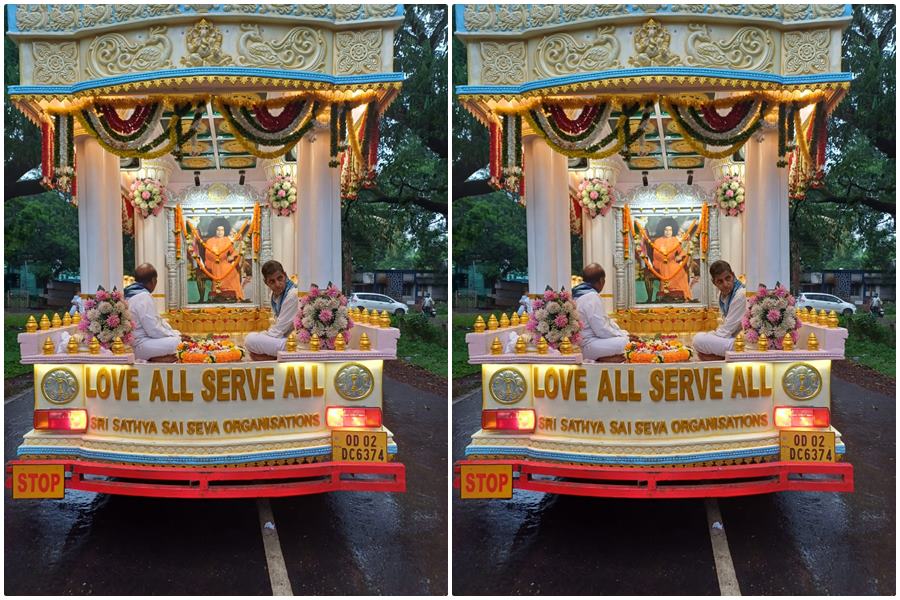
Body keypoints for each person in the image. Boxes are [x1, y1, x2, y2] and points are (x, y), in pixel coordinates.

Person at [125, 263, 188, 362]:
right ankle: (156, 360)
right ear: (153, 280)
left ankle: (158, 358)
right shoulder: (143, 296)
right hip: (140, 345)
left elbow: (157, 323)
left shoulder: (129, 294)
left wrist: (175, 333)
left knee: (178, 339)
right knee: (180, 343)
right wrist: (176, 337)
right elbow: (153, 330)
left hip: (138, 343)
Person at [692, 260, 746, 360]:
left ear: (733, 275)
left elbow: (725, 331)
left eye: (728, 278)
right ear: (714, 282)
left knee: (698, 340)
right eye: (720, 281)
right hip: (732, 337)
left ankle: (720, 357)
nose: (725, 284)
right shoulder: (721, 296)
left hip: (743, 343)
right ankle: (720, 356)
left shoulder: (740, 295)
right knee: (701, 340)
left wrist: (711, 339)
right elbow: (725, 327)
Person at [245, 260, 298, 361]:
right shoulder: (273, 296)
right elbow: (278, 327)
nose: (277, 284)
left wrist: (262, 338)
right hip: (284, 338)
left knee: (250, 340)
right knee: (253, 340)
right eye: (272, 281)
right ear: (266, 282)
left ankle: (272, 357)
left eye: (280, 278)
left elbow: (278, 331)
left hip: (295, 343)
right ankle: (273, 356)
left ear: (285, 275)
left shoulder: (292, 295)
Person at [575, 263, 629, 361]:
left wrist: (621, 332)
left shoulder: (577, 294)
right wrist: (622, 335)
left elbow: (604, 322)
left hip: (585, 343)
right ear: (601, 281)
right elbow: (602, 330)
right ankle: (603, 359)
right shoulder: (591, 297)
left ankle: (606, 358)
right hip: (588, 345)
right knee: (627, 343)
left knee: (625, 336)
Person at [203, 224, 244, 301]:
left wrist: (231, 256)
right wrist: (216, 258)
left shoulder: (227, 240)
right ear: (215, 230)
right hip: (213, 262)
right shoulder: (210, 241)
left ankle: (232, 294)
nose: (220, 232)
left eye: (222, 230)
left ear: (224, 231)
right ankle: (219, 293)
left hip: (224, 262)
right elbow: (208, 254)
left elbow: (233, 251)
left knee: (233, 271)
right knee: (219, 267)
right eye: (218, 230)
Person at [652, 221, 692, 301]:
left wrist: (680, 257)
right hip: (661, 262)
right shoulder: (658, 241)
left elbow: (681, 251)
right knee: (667, 267)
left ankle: (681, 295)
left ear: (673, 231)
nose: (668, 232)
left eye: (670, 230)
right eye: (666, 230)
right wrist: (665, 258)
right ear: (662, 230)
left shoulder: (675, 240)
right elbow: (656, 255)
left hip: (673, 262)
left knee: (681, 272)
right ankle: (667, 294)